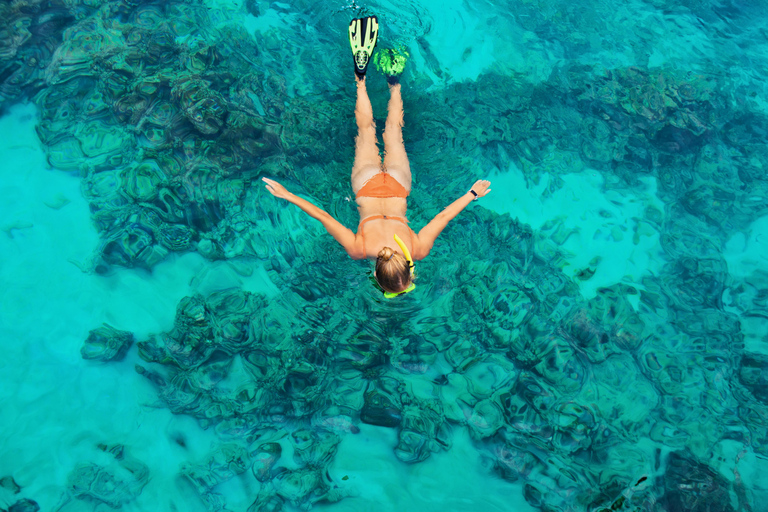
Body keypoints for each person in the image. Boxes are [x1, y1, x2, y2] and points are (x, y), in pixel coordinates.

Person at [262, 15, 491, 297]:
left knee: (394, 131)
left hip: (397, 186)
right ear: (374, 273)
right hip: (366, 186)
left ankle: (393, 81)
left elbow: (443, 216)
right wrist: (288, 196)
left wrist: (472, 194)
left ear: (409, 269)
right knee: (366, 128)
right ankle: (361, 79)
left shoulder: (418, 250)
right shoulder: (359, 250)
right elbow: (323, 216)